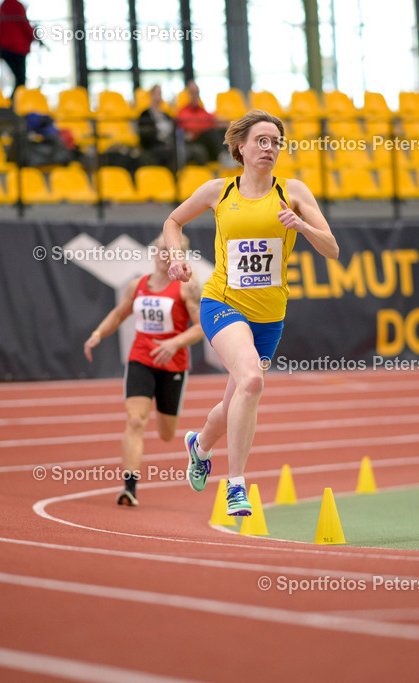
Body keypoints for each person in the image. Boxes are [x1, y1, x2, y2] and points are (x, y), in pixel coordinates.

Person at [163, 109, 339, 516]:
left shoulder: (293, 191)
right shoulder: (218, 192)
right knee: (253, 381)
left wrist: (302, 226)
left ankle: (200, 446)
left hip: (269, 317)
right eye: (262, 140)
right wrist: (176, 257)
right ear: (240, 147)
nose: (270, 148)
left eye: (276, 142)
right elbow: (173, 220)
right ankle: (236, 485)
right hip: (223, 304)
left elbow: (331, 248)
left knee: (237, 400)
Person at [83, 233, 204, 507]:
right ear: (153, 252)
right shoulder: (137, 285)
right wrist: (98, 334)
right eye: (161, 249)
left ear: (179, 255)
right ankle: (130, 488)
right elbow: (118, 314)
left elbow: (201, 327)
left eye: (170, 251)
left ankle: (193, 444)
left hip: (172, 364)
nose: (164, 255)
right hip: (141, 359)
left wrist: (174, 343)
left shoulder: (188, 288)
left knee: (166, 433)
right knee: (135, 420)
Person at [175, 80, 223, 165]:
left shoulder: (202, 110)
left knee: (222, 130)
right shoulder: (183, 111)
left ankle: (226, 156)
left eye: (197, 93)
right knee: (211, 132)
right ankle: (223, 156)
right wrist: (204, 125)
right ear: (187, 94)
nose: (195, 96)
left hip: (205, 139)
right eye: (192, 93)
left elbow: (214, 120)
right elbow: (190, 127)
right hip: (194, 141)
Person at [0, 0, 36, 96]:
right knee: (20, 80)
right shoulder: (16, 5)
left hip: (6, 47)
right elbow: (24, 25)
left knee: (19, 79)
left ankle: (14, 103)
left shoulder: (4, 5)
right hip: (17, 48)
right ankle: (15, 104)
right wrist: (33, 34)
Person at [137, 85, 176, 168]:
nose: (158, 96)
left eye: (160, 93)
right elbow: (144, 136)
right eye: (156, 93)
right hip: (153, 147)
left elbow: (174, 132)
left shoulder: (166, 115)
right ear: (151, 95)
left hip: (168, 147)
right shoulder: (144, 115)